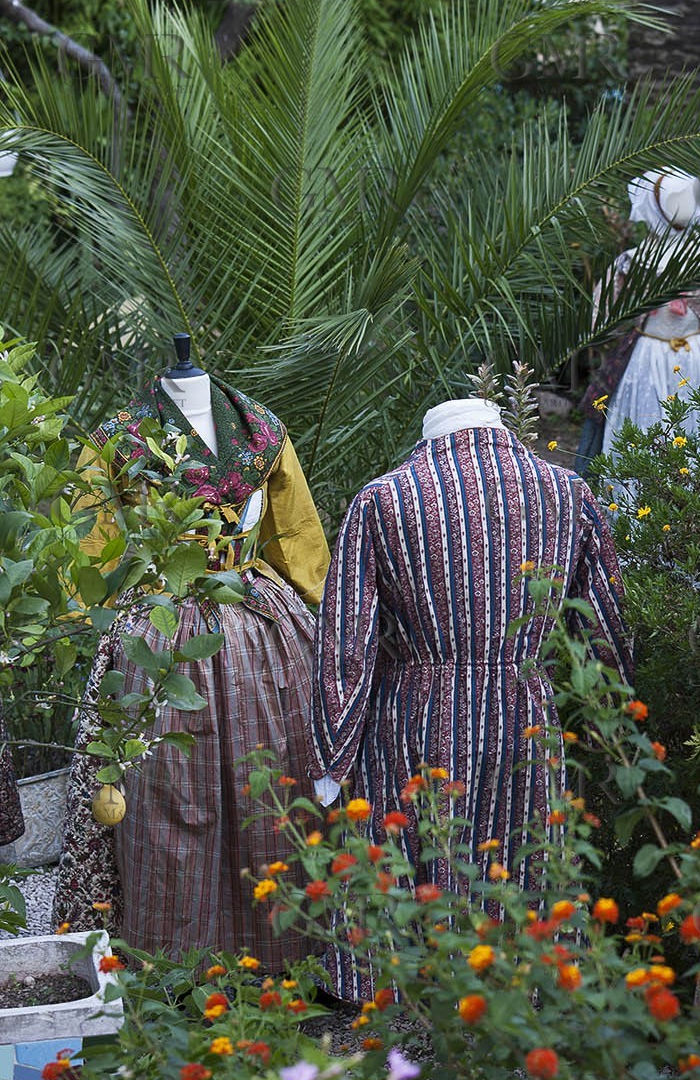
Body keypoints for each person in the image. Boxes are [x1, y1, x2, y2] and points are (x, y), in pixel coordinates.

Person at [311, 396, 632, 1000]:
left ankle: (396, 985)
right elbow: (605, 624)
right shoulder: (569, 493)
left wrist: (334, 754)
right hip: (523, 706)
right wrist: (612, 725)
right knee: (520, 844)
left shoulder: (382, 500)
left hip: (415, 711)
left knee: (413, 840)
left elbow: (344, 642)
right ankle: (524, 980)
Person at [53, 345, 331, 971]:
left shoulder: (263, 433)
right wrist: (78, 627)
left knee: (273, 786)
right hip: (158, 630)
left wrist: (325, 612)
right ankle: (168, 965)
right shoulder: (117, 441)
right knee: (164, 796)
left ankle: (287, 954)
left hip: (259, 625)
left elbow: (295, 535)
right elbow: (89, 551)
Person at [575, 168, 700, 476]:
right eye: (676, 199)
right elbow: (600, 319)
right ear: (656, 205)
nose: (686, 207)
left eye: (688, 199)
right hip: (645, 360)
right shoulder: (632, 261)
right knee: (644, 427)